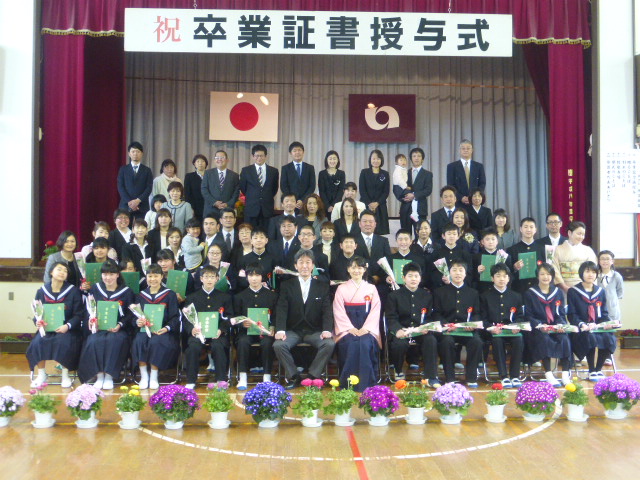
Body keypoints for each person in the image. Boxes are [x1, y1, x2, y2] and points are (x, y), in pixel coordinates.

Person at [273, 250, 335, 389]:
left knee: (329, 344)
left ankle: (313, 377)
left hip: (314, 331)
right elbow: (281, 309)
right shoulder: (287, 285)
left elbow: (327, 311)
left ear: (313, 266)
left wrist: (326, 330)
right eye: (301, 262)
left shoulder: (322, 287)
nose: (305, 266)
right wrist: (280, 330)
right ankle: (294, 377)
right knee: (278, 345)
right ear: (296, 266)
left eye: (308, 262)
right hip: (293, 331)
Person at [77, 260, 134, 389]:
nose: (108, 277)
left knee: (115, 340)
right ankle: (99, 375)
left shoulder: (127, 292)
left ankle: (109, 376)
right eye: (105, 274)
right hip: (99, 328)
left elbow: (130, 314)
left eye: (111, 274)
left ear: (118, 275)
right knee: (93, 341)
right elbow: (89, 309)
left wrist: (120, 324)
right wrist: (92, 320)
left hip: (118, 329)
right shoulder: (95, 289)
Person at [27, 262, 84, 388]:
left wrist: (67, 326)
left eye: (65, 271)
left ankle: (65, 375)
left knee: (64, 342)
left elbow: (79, 314)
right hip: (47, 329)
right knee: (38, 342)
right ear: (51, 272)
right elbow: (37, 313)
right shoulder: (42, 291)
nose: (62, 272)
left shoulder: (73, 291)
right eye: (59, 269)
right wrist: (38, 321)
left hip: (67, 329)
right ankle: (42, 374)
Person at [385, 262, 440, 387]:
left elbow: (429, 316)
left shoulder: (427, 295)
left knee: (431, 340)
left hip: (420, 331)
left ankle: (431, 376)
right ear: (403, 278)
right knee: (399, 344)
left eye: (416, 276)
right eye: (410, 276)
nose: (413, 279)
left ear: (420, 278)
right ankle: (398, 370)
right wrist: (398, 330)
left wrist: (426, 327)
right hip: (402, 330)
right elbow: (391, 317)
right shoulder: (394, 296)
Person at [333, 256, 381, 391]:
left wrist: (367, 328)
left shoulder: (371, 288)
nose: (356, 271)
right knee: (351, 343)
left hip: (367, 327)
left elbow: (375, 309)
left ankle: (368, 382)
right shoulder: (341, 288)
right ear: (348, 269)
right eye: (353, 267)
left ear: (364, 270)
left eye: (360, 268)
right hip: (347, 327)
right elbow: (338, 310)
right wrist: (349, 328)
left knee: (365, 343)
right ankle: (347, 382)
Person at [432, 258, 483, 387]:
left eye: (461, 270)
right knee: (446, 342)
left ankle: (471, 377)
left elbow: (477, 313)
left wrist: (472, 325)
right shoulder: (439, 292)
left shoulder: (473, 293)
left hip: (466, 330)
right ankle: (450, 377)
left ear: (465, 274)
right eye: (454, 270)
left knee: (477, 342)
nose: (458, 273)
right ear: (449, 273)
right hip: (448, 331)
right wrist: (445, 324)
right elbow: (436, 313)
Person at [182, 266, 234, 388]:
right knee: (193, 347)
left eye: (212, 277)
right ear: (201, 279)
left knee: (218, 346)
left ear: (217, 279)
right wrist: (192, 329)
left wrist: (221, 329)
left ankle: (221, 380)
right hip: (198, 333)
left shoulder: (225, 297)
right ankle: (191, 381)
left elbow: (229, 317)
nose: (209, 280)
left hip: (217, 333)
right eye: (206, 277)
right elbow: (186, 318)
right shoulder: (192, 297)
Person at [132, 264, 181, 389]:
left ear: (161, 277)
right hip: (145, 330)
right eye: (150, 276)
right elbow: (134, 316)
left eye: (156, 276)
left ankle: (154, 376)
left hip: (163, 331)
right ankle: (144, 376)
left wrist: (166, 328)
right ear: (146, 277)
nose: (152, 279)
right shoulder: (141, 295)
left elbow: (175, 317)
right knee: (139, 340)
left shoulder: (169, 295)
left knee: (157, 341)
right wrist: (138, 322)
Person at [524, 262, 572, 387]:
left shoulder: (558, 292)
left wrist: (560, 325)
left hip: (555, 327)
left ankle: (565, 374)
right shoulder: (530, 293)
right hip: (538, 329)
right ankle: (548, 374)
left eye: (548, 274)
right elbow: (528, 315)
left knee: (565, 339)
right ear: (537, 276)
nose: (546, 277)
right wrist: (540, 325)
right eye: (542, 274)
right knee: (544, 339)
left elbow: (561, 313)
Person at [567, 261, 616, 380]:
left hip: (597, 327)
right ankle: (591, 370)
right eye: (587, 271)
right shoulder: (573, 291)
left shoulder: (600, 291)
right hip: (581, 329)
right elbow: (572, 314)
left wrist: (607, 323)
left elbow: (604, 313)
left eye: (594, 272)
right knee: (590, 338)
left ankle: (598, 369)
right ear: (581, 273)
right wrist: (582, 324)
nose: (591, 275)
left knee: (609, 338)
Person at [233, 264, 278, 389]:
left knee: (267, 343)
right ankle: (242, 377)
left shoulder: (272, 296)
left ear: (262, 277)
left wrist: (273, 326)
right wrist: (242, 323)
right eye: (251, 275)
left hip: (265, 332)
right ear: (246, 277)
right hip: (246, 331)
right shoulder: (239, 296)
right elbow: (235, 316)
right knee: (242, 342)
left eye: (257, 275)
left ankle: (267, 377)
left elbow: (276, 315)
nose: (254, 278)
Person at [480, 263, 524, 388]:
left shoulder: (516, 296)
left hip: (511, 331)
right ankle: (503, 376)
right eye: (498, 276)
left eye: (505, 276)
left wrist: (516, 326)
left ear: (508, 278)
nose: (501, 279)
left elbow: (520, 316)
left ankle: (515, 376)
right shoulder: (485, 296)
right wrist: (491, 328)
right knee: (497, 340)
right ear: (492, 278)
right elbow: (483, 318)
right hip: (493, 332)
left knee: (519, 339)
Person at [239, 144, 280, 231]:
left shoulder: (273, 171)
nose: (259, 158)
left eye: (261, 156)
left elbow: (274, 189)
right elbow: (243, 188)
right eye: (257, 156)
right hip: (251, 208)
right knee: (250, 232)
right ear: (253, 156)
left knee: (266, 233)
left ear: (266, 156)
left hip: (267, 209)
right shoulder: (246, 170)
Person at [394, 148, 433, 234]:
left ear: (422, 159)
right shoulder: (404, 172)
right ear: (411, 159)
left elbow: (428, 190)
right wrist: (403, 198)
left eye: (419, 156)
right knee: (405, 235)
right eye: (414, 156)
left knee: (420, 234)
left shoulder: (427, 174)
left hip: (420, 209)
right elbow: (396, 188)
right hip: (406, 208)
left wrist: (414, 195)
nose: (416, 158)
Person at [552, 221, 597, 294]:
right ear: (569, 233)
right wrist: (564, 287)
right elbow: (554, 269)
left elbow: (593, 269)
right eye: (579, 234)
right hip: (564, 287)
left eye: (583, 235)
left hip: (584, 288)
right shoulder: (558, 249)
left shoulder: (588, 250)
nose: (581, 237)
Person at [508, 217, 546, 294]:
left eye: (531, 227)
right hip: (519, 289)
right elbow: (507, 272)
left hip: (538, 289)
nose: (528, 230)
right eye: (525, 227)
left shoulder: (542, 249)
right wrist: (514, 268)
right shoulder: (512, 250)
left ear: (535, 230)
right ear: (521, 229)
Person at [429, 223, 473, 290]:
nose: (451, 236)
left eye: (454, 234)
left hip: (460, 288)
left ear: (458, 236)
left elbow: (469, 273)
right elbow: (432, 272)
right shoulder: (437, 253)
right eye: (449, 234)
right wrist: (441, 279)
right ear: (443, 236)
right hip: (441, 288)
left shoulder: (464, 254)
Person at [353, 210, 392, 286]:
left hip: (380, 281)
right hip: (358, 282)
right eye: (365, 221)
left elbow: (388, 261)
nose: (368, 224)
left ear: (375, 224)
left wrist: (380, 277)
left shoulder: (383, 241)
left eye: (371, 221)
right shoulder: (353, 241)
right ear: (359, 224)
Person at [117, 141, 153, 219]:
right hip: (126, 205)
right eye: (133, 151)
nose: (135, 154)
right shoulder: (123, 169)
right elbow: (120, 187)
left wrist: (138, 201)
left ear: (142, 153)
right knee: (125, 226)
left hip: (142, 206)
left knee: (141, 226)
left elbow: (149, 188)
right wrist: (130, 202)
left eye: (138, 151)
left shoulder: (147, 170)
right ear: (129, 154)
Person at [201, 150, 240, 220]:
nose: (219, 159)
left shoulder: (234, 176)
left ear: (227, 160)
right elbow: (204, 190)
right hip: (211, 209)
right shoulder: (208, 173)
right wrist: (214, 202)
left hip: (227, 211)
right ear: (214, 160)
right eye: (217, 158)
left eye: (222, 157)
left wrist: (228, 204)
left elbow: (236, 193)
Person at [446, 139, 486, 205]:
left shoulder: (479, 166)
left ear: (472, 150)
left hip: (475, 202)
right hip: (458, 202)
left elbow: (482, 183)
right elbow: (450, 185)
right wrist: (461, 197)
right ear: (459, 150)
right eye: (463, 148)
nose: (466, 150)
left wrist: (474, 197)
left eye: (468, 148)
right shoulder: (451, 166)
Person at [359, 149, 390, 235]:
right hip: (366, 205)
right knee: (365, 230)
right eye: (374, 158)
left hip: (380, 206)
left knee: (380, 232)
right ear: (370, 159)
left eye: (378, 158)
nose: (376, 161)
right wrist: (369, 203)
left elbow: (386, 192)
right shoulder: (364, 172)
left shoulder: (385, 174)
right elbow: (362, 190)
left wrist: (377, 203)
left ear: (381, 160)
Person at [473, 228, 513, 294]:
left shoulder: (504, 256)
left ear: (497, 241)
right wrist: (478, 272)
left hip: (501, 290)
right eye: (487, 239)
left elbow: (510, 276)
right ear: (482, 242)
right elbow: (472, 277)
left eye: (493, 239)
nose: (490, 242)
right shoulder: (476, 257)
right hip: (483, 291)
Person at [280, 141, 316, 211]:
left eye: (299, 150)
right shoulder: (285, 168)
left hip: (305, 203)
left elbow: (312, 186)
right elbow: (283, 186)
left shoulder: (310, 168)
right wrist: (293, 200)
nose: (297, 152)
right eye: (294, 151)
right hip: (291, 204)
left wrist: (302, 200)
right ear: (290, 153)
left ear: (303, 152)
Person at [597, 250, 624, 324]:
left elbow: (620, 292)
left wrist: (612, 300)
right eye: (602, 259)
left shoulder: (617, 276)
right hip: (598, 308)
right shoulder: (595, 276)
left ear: (612, 261)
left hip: (613, 309)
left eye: (607, 259)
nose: (605, 261)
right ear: (599, 261)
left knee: (612, 327)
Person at [318, 150, 345, 215]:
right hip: (324, 205)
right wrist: (327, 206)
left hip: (337, 205)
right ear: (326, 160)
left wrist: (333, 205)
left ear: (338, 160)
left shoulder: (341, 173)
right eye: (330, 159)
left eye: (334, 159)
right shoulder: (322, 174)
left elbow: (340, 191)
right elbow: (321, 191)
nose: (332, 161)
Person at [184, 153, 208, 221]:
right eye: (198, 161)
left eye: (203, 161)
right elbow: (187, 194)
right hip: (195, 208)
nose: (200, 163)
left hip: (208, 207)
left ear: (206, 163)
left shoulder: (210, 175)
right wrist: (190, 208)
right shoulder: (189, 176)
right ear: (194, 164)